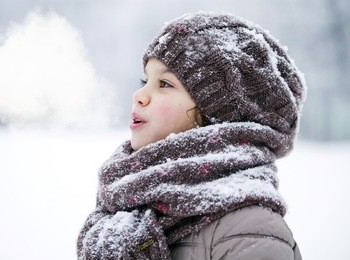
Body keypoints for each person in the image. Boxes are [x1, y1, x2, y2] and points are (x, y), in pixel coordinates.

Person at [77, 11, 306, 260]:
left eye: (165, 84)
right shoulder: (129, 204)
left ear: (219, 117)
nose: (139, 95)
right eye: (145, 80)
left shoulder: (248, 229)